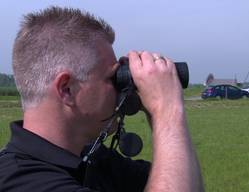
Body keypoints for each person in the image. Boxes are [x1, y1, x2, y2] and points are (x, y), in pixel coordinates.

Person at [0, 6, 204, 192]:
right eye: (111, 77)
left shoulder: (91, 156)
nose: (119, 89)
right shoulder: (19, 180)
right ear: (67, 89)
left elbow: (187, 183)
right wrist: (167, 110)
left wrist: (156, 112)